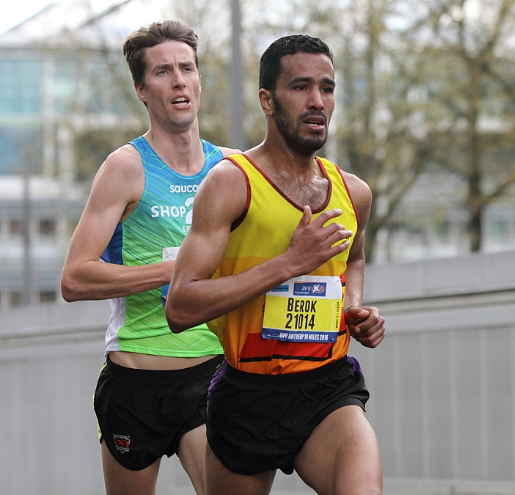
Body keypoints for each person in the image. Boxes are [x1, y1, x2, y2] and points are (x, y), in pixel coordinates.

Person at [165, 34, 385, 495]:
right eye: (300, 87)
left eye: (327, 88)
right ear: (267, 99)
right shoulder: (230, 183)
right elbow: (181, 307)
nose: (317, 101)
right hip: (248, 393)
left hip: (328, 388)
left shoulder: (354, 193)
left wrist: (355, 308)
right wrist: (287, 263)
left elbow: (355, 259)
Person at [60, 20, 239, 495]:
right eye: (162, 72)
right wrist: (177, 272)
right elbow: (75, 279)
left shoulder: (232, 170)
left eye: (187, 68)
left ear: (199, 80)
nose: (178, 80)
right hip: (135, 379)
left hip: (211, 373)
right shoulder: (126, 167)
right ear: (142, 89)